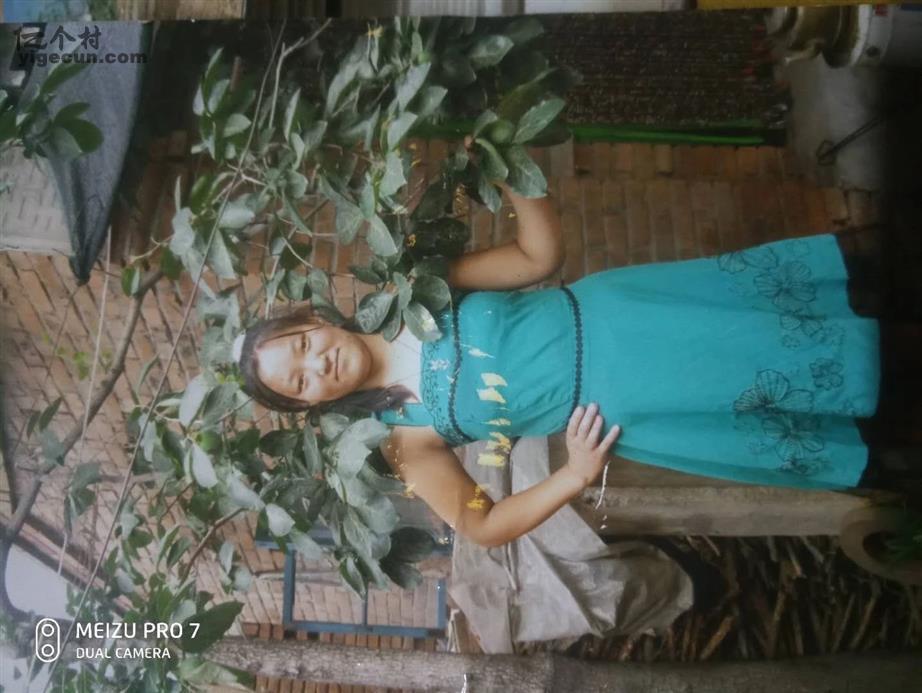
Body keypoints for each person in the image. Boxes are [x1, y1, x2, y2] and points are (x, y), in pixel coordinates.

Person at [236, 184, 880, 548]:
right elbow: (480, 524)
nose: (317, 365)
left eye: (301, 346)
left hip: (627, 310)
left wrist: (512, 167)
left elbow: (535, 259)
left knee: (801, 321)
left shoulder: (412, 290)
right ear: (312, 406)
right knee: (799, 392)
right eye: (301, 383)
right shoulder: (404, 440)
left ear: (312, 319)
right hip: (628, 400)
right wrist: (573, 475)